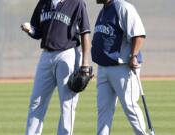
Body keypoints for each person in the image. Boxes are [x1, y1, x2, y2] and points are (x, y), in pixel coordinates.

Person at [21, 0, 91, 134]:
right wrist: (30, 29)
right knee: (36, 101)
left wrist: (85, 64)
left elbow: (85, 32)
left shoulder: (77, 3)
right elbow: (38, 32)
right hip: (46, 55)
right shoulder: (43, 2)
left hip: (67, 54)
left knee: (67, 103)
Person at [91, 0, 148, 134]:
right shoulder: (103, 10)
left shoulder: (122, 7)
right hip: (103, 67)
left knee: (130, 106)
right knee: (104, 109)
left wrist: (133, 55)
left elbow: (138, 34)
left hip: (122, 67)